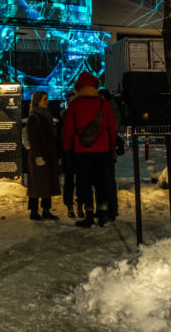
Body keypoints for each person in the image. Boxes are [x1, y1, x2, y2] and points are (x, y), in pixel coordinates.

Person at [63, 72, 116, 228]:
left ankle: (89, 214)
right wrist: (111, 146)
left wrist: (67, 150)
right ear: (95, 86)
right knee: (101, 181)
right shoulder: (103, 104)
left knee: (84, 183)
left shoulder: (75, 105)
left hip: (81, 151)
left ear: (78, 87)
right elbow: (111, 128)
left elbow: (69, 130)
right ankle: (103, 212)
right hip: (102, 150)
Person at [25, 91, 61, 220]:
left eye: (47, 99)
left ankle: (46, 209)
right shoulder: (34, 117)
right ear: (37, 101)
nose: (47, 101)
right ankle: (34, 211)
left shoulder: (46, 115)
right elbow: (33, 138)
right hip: (38, 155)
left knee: (47, 182)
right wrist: (37, 155)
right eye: (44, 99)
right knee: (36, 183)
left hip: (48, 154)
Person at [98, 89, 122, 222]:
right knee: (108, 179)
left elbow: (111, 129)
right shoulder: (113, 109)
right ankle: (110, 209)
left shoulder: (109, 110)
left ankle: (111, 209)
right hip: (108, 149)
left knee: (107, 180)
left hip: (107, 149)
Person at [59, 91, 83, 219]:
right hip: (71, 152)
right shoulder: (65, 116)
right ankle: (72, 206)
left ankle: (76, 206)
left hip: (74, 151)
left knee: (77, 181)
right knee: (72, 181)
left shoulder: (68, 116)